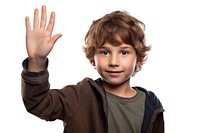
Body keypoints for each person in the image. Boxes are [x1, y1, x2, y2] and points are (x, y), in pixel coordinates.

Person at [21, 5, 164, 133]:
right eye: (105, 52)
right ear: (92, 58)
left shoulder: (151, 105)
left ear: (138, 59)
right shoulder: (79, 96)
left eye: (124, 52)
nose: (113, 62)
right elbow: (38, 103)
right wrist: (37, 61)